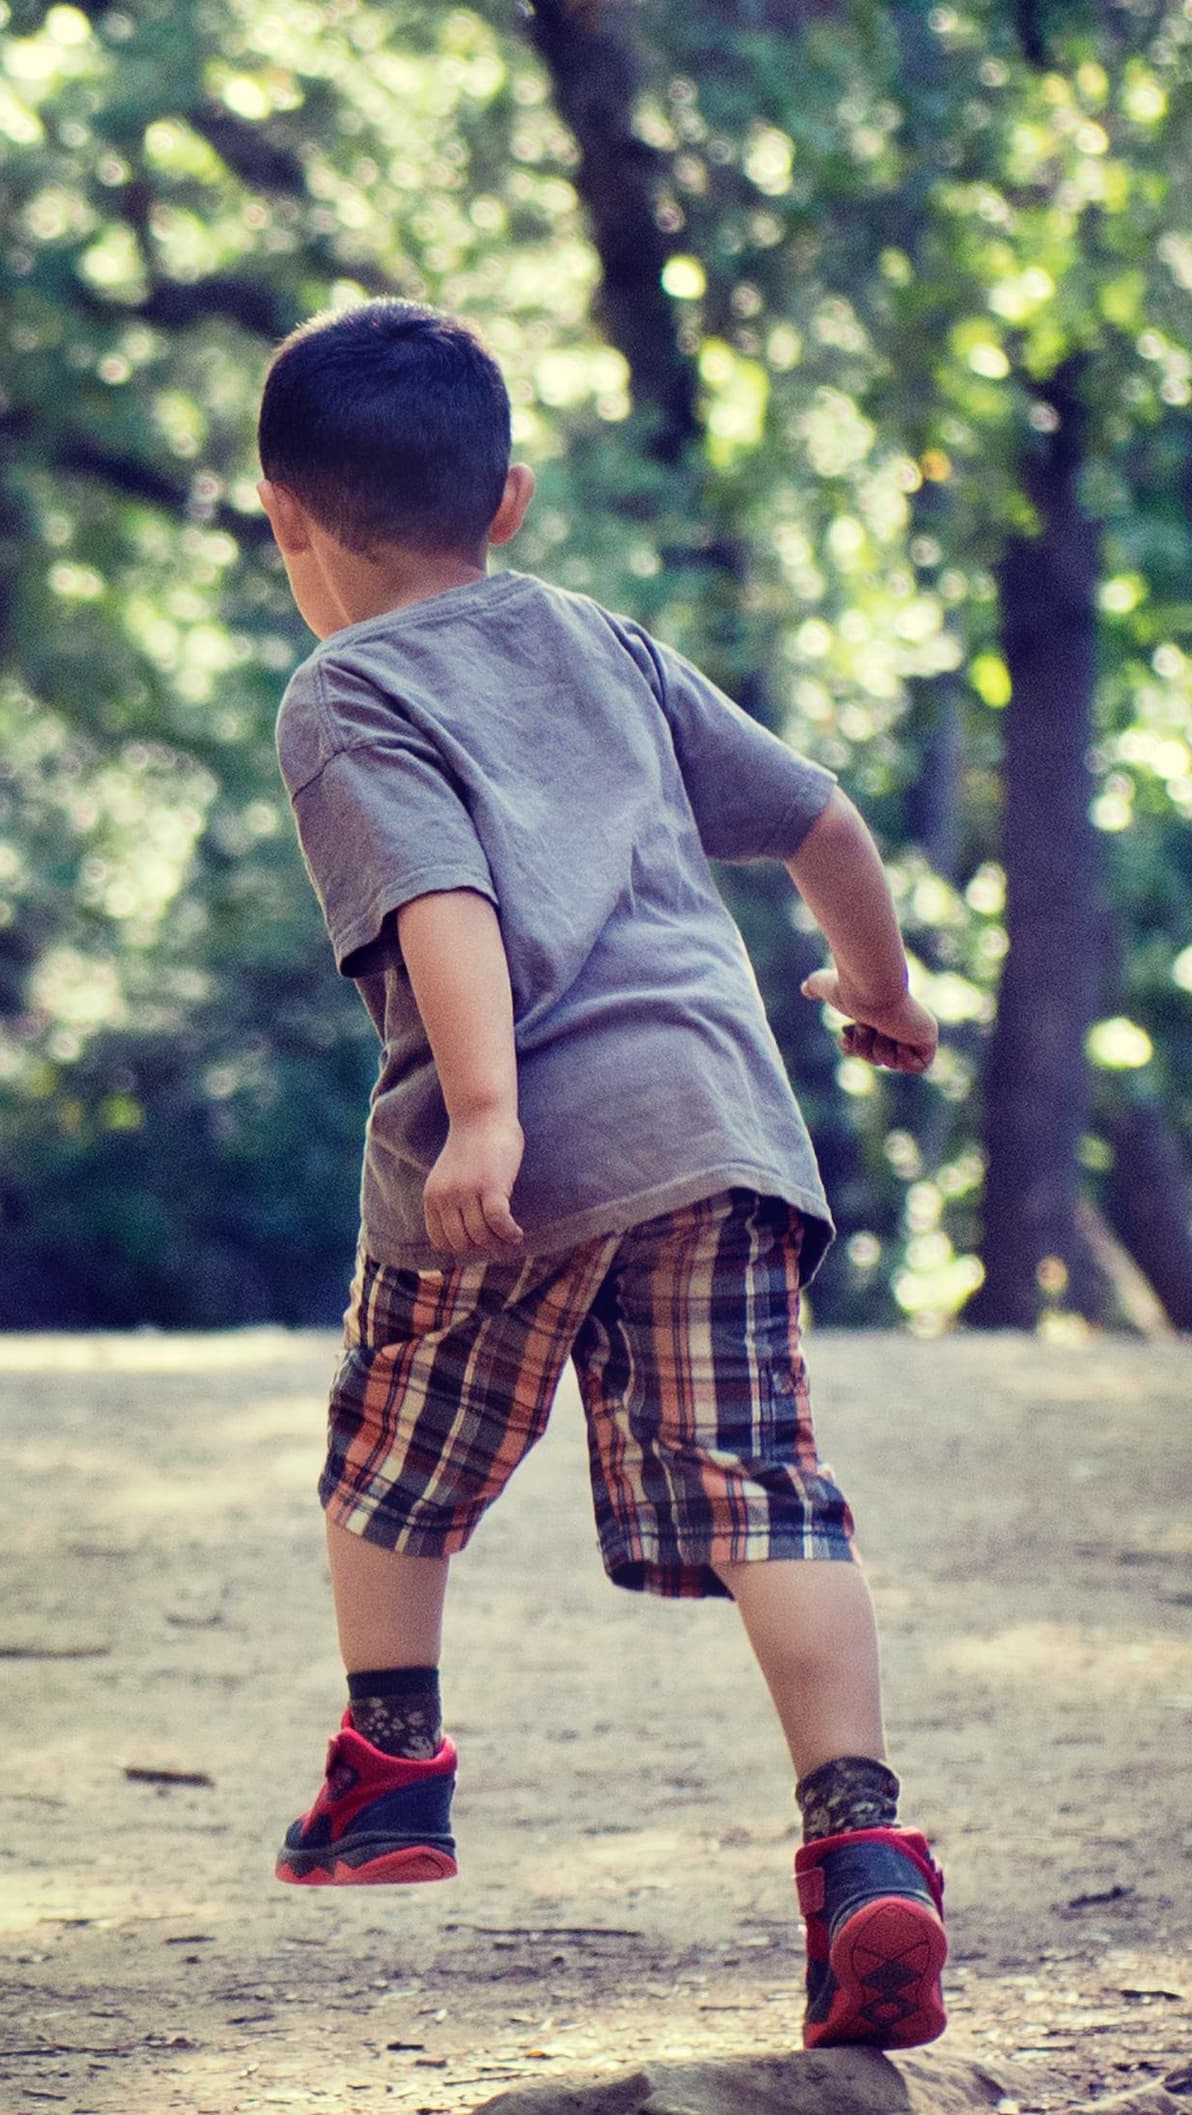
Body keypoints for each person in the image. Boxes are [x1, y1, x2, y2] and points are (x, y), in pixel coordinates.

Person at [256, 298, 948, 2053]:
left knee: (392, 1459)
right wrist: (879, 993)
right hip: (716, 1129)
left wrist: (485, 1115)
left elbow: (444, 905)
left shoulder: (346, 690)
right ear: (514, 498)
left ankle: (391, 1766)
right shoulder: (605, 644)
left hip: (508, 1156)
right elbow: (822, 823)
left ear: (286, 520)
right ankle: (861, 1842)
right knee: (767, 1488)